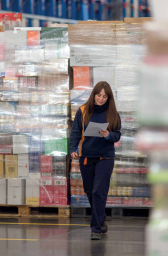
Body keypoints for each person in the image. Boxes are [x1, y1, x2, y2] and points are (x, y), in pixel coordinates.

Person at [69, 81, 121, 240]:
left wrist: (108, 135)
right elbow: (76, 132)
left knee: (99, 190)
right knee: (90, 191)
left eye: (105, 96)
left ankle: (96, 229)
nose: (101, 99)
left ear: (109, 98)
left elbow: (117, 135)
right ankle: (101, 219)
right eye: (99, 95)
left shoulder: (113, 113)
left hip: (105, 156)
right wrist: (73, 149)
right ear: (94, 94)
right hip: (86, 156)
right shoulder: (83, 111)